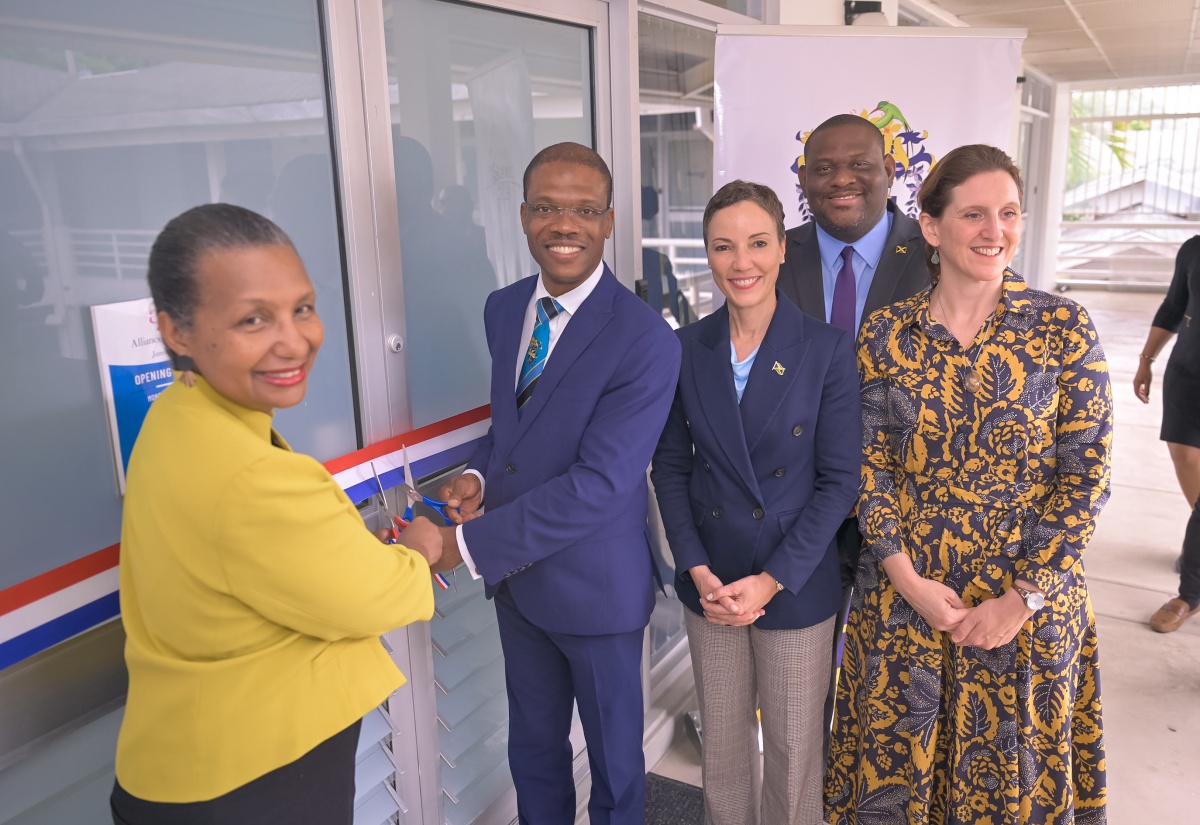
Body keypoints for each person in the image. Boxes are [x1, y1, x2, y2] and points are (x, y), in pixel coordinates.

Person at [111, 203, 442, 825]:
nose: (294, 340)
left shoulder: (174, 416)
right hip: (251, 782)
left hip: (185, 766)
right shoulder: (252, 478)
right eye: (253, 319)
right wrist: (418, 550)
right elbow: (377, 597)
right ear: (175, 332)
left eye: (303, 308)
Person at [825, 145, 1112, 824]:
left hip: (1025, 620)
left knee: (1007, 795)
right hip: (905, 612)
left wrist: (1022, 598)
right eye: (975, 213)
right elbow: (868, 467)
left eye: (1008, 213)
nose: (995, 231)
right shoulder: (887, 334)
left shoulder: (1062, 328)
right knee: (894, 785)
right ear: (931, 226)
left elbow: (1087, 475)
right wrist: (908, 579)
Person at [430, 142, 681, 825]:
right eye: (546, 207)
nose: (562, 224)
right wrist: (478, 474)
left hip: (596, 590)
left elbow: (602, 483)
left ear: (607, 222)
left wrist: (464, 544)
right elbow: (509, 428)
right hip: (519, 586)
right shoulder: (503, 309)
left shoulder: (645, 340)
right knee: (534, 754)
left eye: (581, 210)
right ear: (521, 216)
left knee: (616, 771)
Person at [651, 180, 860, 825]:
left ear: (782, 252)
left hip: (792, 581)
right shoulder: (686, 349)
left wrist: (770, 580)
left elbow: (840, 482)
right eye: (723, 246)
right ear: (707, 256)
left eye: (757, 243)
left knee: (795, 748)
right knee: (724, 742)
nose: (741, 262)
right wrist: (696, 567)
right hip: (711, 578)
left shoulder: (824, 349)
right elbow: (672, 465)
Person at [777, 113, 928, 594]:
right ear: (802, 178)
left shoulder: (935, 257)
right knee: (806, 668)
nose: (841, 179)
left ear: (889, 169)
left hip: (910, 509)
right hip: (797, 505)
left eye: (859, 164)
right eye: (823, 169)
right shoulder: (770, 256)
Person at [1135, 235, 1200, 632]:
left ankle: (1190, 594)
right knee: (1185, 455)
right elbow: (1175, 305)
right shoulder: (1194, 248)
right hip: (1188, 372)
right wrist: (1147, 360)